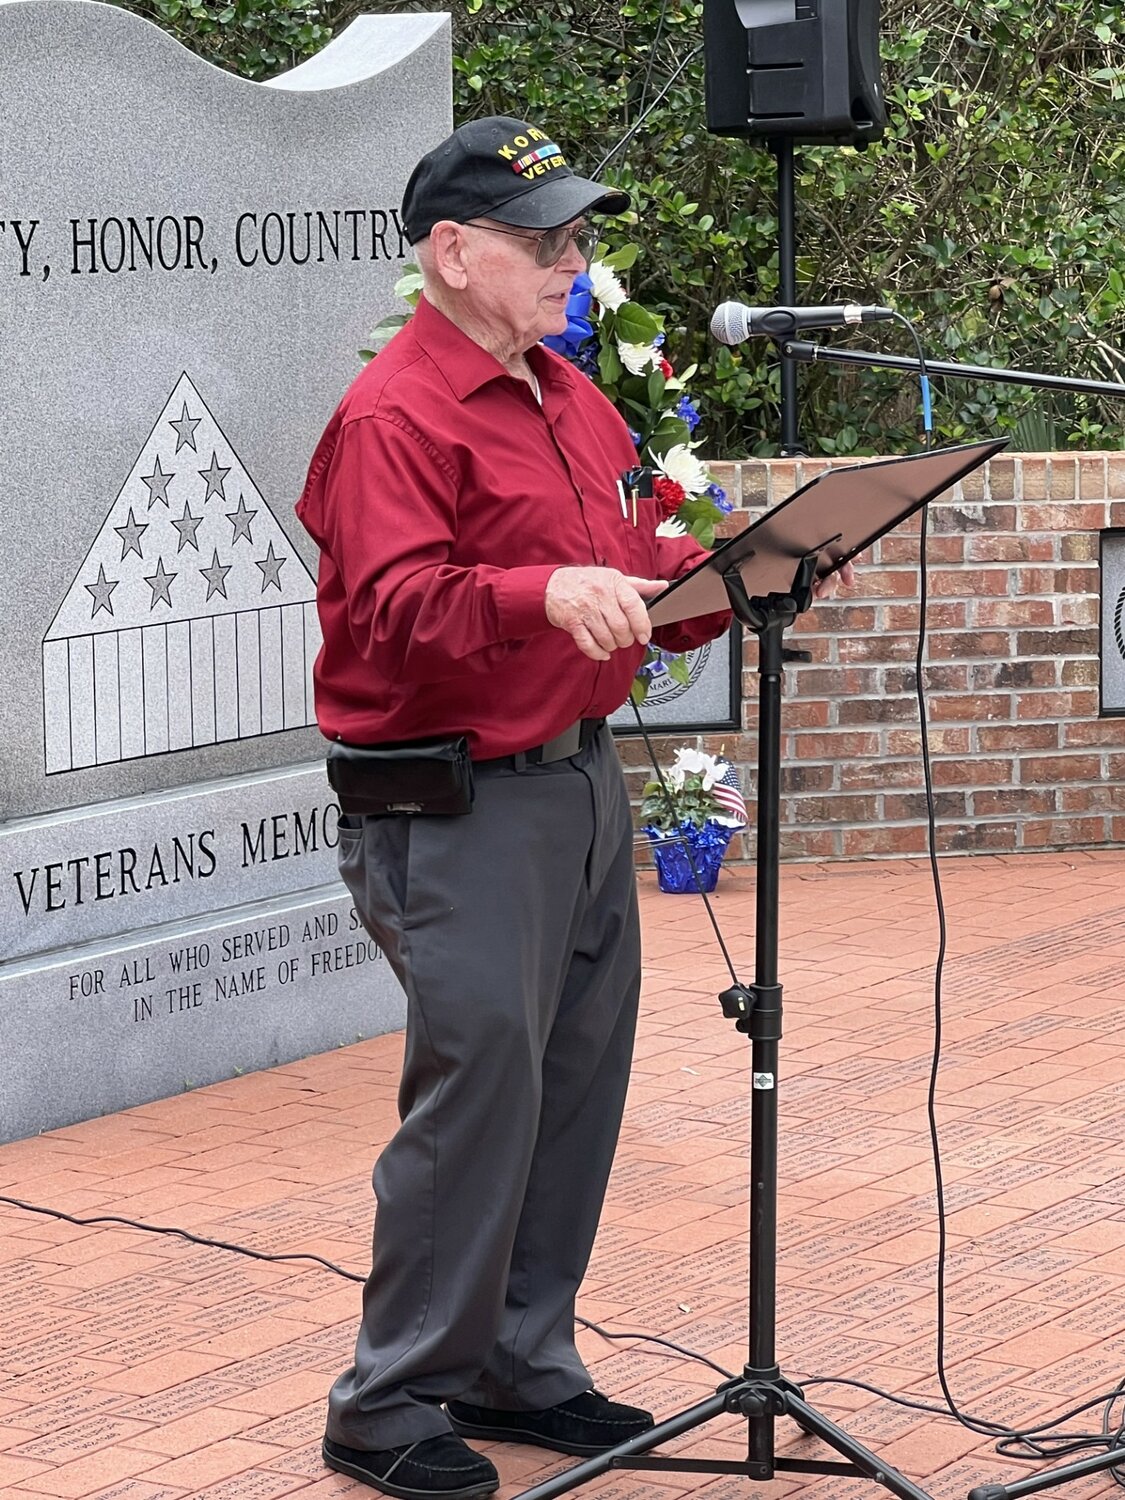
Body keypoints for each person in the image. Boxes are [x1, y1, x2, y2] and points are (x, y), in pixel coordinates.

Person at [296, 114, 782, 1500]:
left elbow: (636, 565)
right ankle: (387, 1404)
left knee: (571, 1084)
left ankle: (517, 1359)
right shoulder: (395, 414)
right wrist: (535, 592)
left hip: (572, 784)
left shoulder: (564, 394)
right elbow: (388, 614)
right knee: (478, 1093)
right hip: (452, 810)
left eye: (578, 238)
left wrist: (748, 575)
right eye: (544, 241)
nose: (574, 262)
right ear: (451, 253)